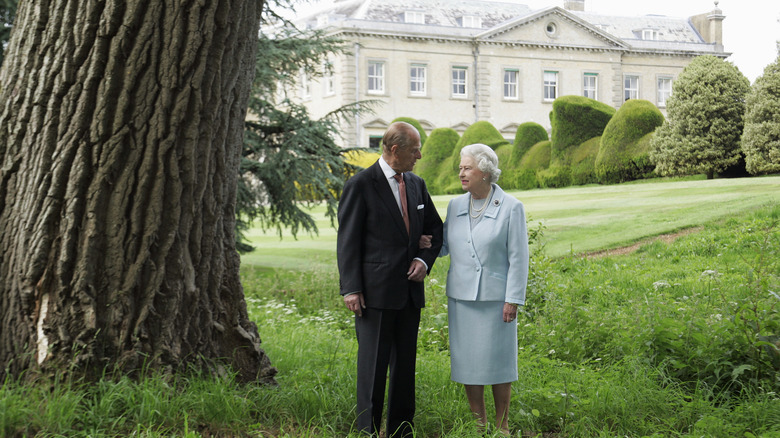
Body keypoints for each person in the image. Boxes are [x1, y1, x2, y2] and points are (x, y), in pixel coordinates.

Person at [337, 121, 444, 437]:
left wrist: (424, 259)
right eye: (415, 150)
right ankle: (367, 432)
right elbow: (348, 242)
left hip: (410, 294)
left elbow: (435, 231)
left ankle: (401, 432)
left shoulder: (416, 183)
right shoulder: (361, 185)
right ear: (394, 150)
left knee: (404, 371)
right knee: (372, 370)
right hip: (374, 295)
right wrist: (352, 288)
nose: (420, 155)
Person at [439, 143, 529, 435]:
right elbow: (442, 247)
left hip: (496, 300)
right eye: (460, 168)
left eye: (467, 168)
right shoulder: (454, 205)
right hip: (462, 299)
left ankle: (502, 426)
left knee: (500, 364)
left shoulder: (512, 207)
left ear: (486, 172)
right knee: (469, 365)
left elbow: (519, 257)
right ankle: (479, 425)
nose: (461, 173)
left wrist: (513, 299)